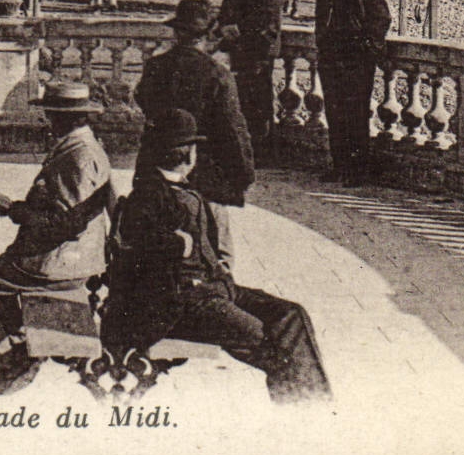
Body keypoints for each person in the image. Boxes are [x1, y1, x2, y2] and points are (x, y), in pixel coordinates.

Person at [101, 109, 331, 403]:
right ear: (188, 156)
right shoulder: (149, 193)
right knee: (278, 343)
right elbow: (136, 241)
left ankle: (311, 410)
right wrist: (175, 244)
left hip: (213, 291)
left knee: (291, 314)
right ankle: (307, 415)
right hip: (180, 306)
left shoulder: (176, 188)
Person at [0, 81, 114, 395]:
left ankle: (16, 362)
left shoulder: (77, 157)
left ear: (61, 118)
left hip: (57, 262)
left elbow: (68, 225)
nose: (46, 121)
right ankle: (20, 342)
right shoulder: (83, 145)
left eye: (49, 115)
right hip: (69, 254)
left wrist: (17, 212)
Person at [133, 0, 255, 267]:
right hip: (202, 172)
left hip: (156, 166)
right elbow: (234, 129)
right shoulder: (217, 74)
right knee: (217, 255)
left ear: (176, 33)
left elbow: (142, 98)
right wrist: (243, 173)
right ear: (207, 36)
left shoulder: (155, 67)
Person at [314, 0, 392, 185]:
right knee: (334, 113)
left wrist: (368, 49)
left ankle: (357, 171)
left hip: (356, 60)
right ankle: (339, 167)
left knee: (356, 114)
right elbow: (321, 18)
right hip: (330, 59)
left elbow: (381, 17)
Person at [216, 0, 291, 162]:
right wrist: (226, 24)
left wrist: (241, 29)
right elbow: (230, 2)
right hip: (241, 44)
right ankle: (248, 153)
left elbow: (270, 8)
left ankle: (265, 154)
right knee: (243, 98)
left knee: (259, 98)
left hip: (260, 43)